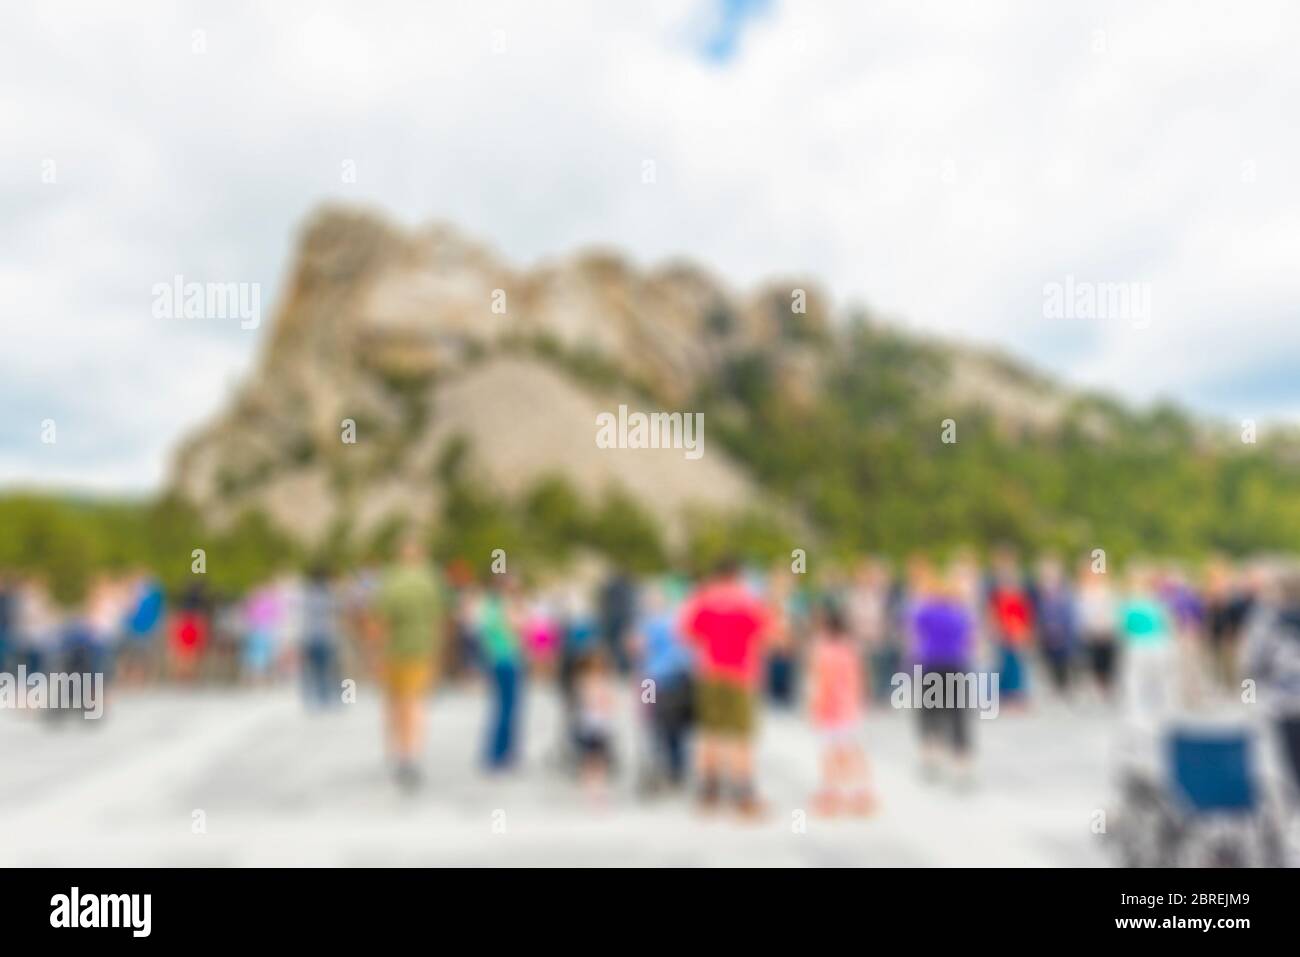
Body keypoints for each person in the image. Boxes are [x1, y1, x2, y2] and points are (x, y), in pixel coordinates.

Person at [678, 557, 773, 816]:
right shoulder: (748, 600)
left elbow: (685, 633)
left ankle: (709, 791)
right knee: (741, 735)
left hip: (709, 672)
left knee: (710, 732)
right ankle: (744, 793)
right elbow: (767, 634)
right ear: (738, 575)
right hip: (741, 674)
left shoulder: (703, 598)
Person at [373, 535, 444, 791]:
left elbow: (379, 622)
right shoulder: (430, 580)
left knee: (395, 704)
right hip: (421, 650)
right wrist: (437, 654)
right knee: (416, 703)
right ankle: (413, 754)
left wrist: (377, 655)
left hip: (394, 651)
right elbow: (439, 621)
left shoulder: (390, 581)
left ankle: (398, 753)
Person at [908, 563, 977, 785]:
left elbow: (913, 630)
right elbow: (970, 640)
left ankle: (932, 752)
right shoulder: (960, 615)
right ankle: (961, 761)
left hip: (931, 664)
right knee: (957, 713)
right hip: (955, 665)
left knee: (930, 710)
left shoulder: (925, 611)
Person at [808, 604, 876, 815]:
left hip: (830, 708)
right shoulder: (852, 649)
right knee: (851, 750)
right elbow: (862, 678)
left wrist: (813, 704)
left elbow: (820, 681)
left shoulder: (822, 651)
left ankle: (832, 793)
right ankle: (861, 792)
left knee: (830, 751)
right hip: (849, 707)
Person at [1240, 565, 1300, 802]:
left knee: (1288, 767)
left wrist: (1249, 702)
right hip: (1284, 703)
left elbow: (1250, 666)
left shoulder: (1266, 621)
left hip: (1283, 705)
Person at [633, 577, 694, 791]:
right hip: (676, 679)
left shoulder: (649, 623)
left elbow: (639, 648)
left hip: (652, 680)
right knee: (674, 729)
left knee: (653, 725)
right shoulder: (678, 621)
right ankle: (675, 769)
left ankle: (658, 769)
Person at [477, 575, 524, 772]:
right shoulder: (503, 606)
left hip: (497, 659)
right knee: (508, 708)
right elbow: (517, 627)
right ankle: (502, 753)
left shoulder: (490, 606)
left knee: (501, 707)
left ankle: (497, 752)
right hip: (507, 659)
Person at [987, 548, 1033, 708]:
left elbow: (1025, 608)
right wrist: (996, 627)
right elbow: (992, 609)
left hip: (1017, 628)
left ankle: (1018, 694)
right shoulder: (992, 584)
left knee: (1017, 663)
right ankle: (1003, 695)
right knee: (1002, 663)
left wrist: (1024, 629)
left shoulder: (1021, 581)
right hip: (1002, 628)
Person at [573, 648, 616, 799]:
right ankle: (591, 787)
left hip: (601, 726)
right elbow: (588, 703)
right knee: (590, 758)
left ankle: (599, 787)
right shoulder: (584, 682)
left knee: (600, 758)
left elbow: (608, 704)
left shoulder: (603, 682)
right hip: (590, 726)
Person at [1034, 556, 1077, 698]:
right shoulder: (1037, 591)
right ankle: (1054, 688)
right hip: (1045, 633)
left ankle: (1064, 687)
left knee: (1063, 662)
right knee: (1049, 662)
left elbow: (1070, 613)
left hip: (1064, 634)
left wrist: (1062, 629)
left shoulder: (1066, 591)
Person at [300, 565, 342, 710]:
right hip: (327, 636)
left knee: (313, 669)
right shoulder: (329, 595)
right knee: (328, 669)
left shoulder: (307, 595)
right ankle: (329, 698)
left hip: (311, 637)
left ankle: (314, 698)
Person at [1075, 562, 1119, 700]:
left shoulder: (1107, 591)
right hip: (1090, 633)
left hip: (1106, 632)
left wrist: (1108, 627)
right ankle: (1095, 688)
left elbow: (1113, 612)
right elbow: (1080, 613)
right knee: (1091, 663)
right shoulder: (1082, 593)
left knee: (1107, 662)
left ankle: (1106, 687)